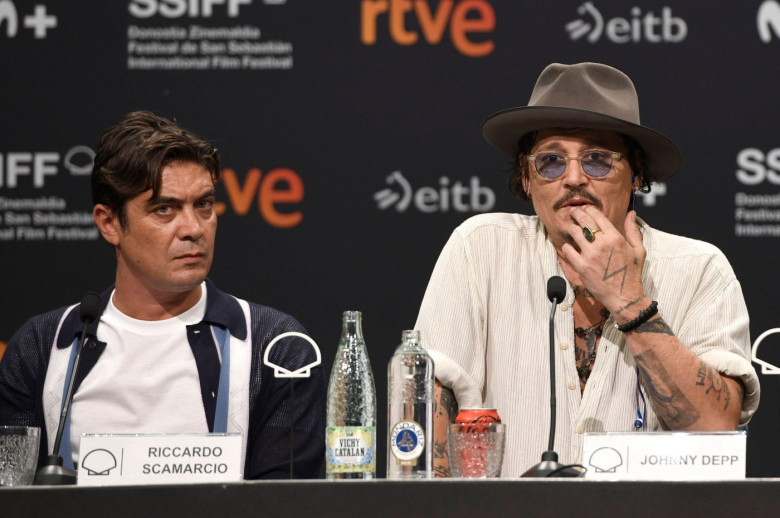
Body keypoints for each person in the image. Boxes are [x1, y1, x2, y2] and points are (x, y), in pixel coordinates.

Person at [415, 62, 760, 477]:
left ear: (637, 174)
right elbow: (426, 403)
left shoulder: (700, 269)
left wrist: (628, 300)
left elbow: (715, 431)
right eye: (551, 161)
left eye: (597, 159)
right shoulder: (480, 248)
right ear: (527, 178)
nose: (574, 177)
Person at [0, 111, 325, 479]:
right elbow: (14, 498)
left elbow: (287, 505)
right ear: (109, 223)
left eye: (203, 204)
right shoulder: (42, 348)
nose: (193, 228)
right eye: (164, 209)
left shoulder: (276, 347)